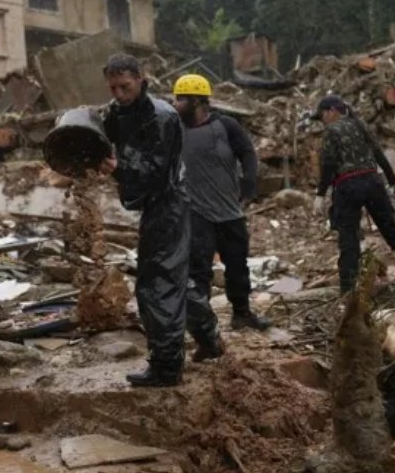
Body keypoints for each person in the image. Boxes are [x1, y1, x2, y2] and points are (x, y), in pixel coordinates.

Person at [98, 53, 197, 387]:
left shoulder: (162, 116)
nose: (120, 94)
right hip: (152, 203)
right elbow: (98, 132)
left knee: (156, 284)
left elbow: (154, 171)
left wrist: (118, 168)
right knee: (173, 275)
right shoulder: (117, 112)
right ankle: (210, 339)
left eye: (125, 86)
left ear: (141, 78)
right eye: (113, 88)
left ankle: (167, 368)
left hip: (168, 201)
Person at [172, 74, 271, 333]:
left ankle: (241, 313)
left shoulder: (225, 126)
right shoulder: (175, 131)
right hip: (197, 214)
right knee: (199, 271)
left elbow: (247, 152)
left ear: (197, 101)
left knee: (237, 266)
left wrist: (249, 182)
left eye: (181, 99)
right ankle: (204, 327)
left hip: (229, 211)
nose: (176, 104)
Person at [311, 95, 395, 293]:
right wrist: (394, 183)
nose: (322, 120)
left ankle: (347, 293)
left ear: (332, 111)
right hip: (374, 183)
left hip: (348, 187)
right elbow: (379, 154)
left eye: (322, 115)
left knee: (349, 240)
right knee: (392, 231)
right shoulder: (360, 124)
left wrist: (320, 194)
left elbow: (328, 163)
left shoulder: (331, 130)